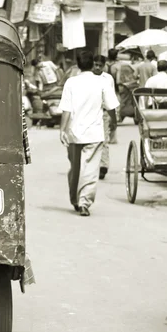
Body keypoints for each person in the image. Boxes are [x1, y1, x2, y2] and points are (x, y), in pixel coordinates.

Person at [59, 50, 119, 217]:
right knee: (90, 170)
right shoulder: (102, 82)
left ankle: (75, 200)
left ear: (78, 65)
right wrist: (114, 121)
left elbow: (66, 109)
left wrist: (62, 130)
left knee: (75, 168)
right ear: (93, 64)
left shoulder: (71, 82)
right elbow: (111, 107)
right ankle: (84, 202)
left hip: (73, 132)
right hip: (94, 132)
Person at [93, 55, 116, 180]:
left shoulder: (108, 79)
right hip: (89, 112)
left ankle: (103, 166)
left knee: (103, 140)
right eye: (95, 64)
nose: (97, 67)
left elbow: (111, 98)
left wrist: (114, 117)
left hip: (103, 112)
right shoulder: (86, 78)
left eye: (100, 65)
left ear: (104, 66)